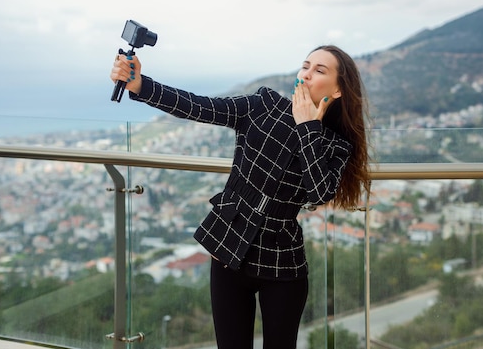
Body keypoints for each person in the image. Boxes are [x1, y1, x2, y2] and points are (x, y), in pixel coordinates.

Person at [110, 45, 370, 349]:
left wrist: (308, 126)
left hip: (282, 261)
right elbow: (201, 106)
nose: (307, 75)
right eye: (305, 66)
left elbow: (320, 191)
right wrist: (141, 85)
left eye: (319, 70)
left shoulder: (335, 145)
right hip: (229, 250)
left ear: (338, 90)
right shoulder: (264, 105)